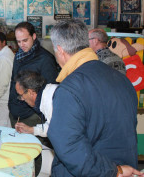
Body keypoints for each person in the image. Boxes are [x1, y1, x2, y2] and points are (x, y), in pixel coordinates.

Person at [48, 19, 142, 177]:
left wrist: (114, 171)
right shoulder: (121, 79)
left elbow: (69, 146)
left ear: (60, 50)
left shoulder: (70, 88)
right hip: (127, 167)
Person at [8, 21, 59, 129]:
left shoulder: (46, 59)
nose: (22, 45)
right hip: (14, 113)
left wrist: (35, 111)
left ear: (34, 36)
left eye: (25, 40)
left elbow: (50, 90)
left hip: (32, 116)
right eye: (19, 41)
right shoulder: (18, 55)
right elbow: (13, 82)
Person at [14, 70, 58, 137]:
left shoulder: (50, 101)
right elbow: (52, 127)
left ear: (31, 92)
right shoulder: (47, 93)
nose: (22, 99)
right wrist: (31, 130)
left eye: (21, 95)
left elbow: (58, 131)